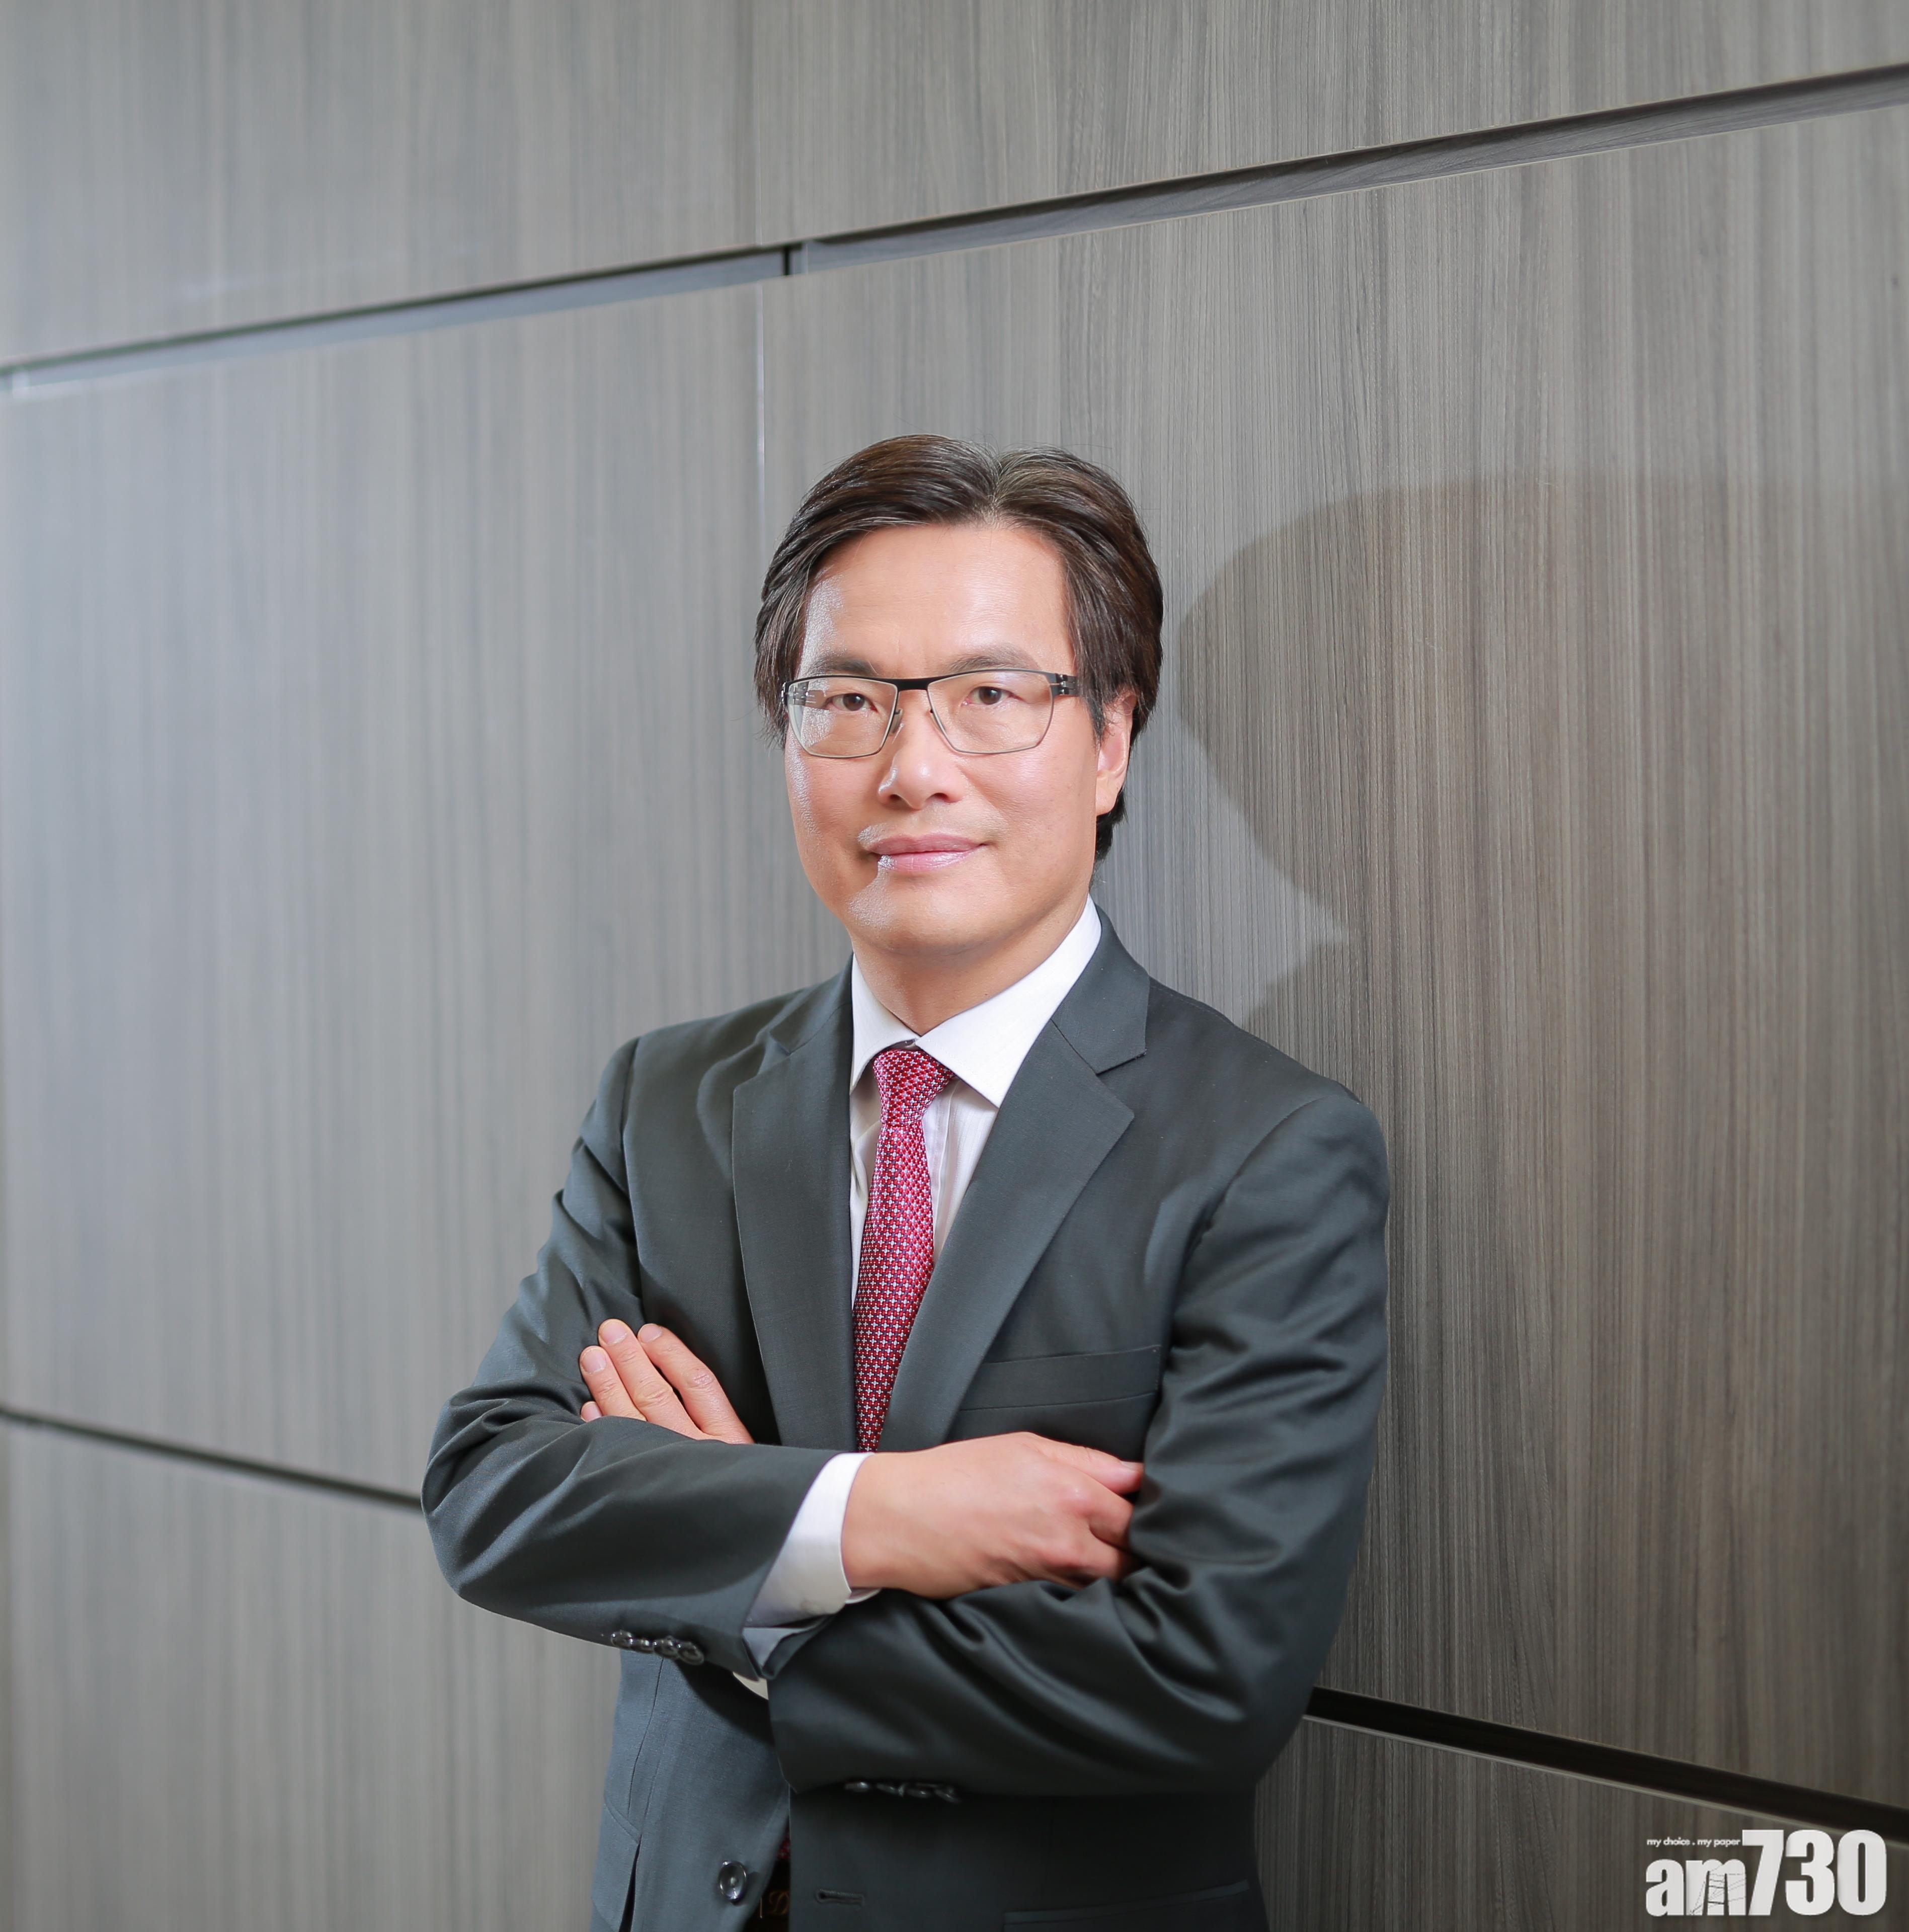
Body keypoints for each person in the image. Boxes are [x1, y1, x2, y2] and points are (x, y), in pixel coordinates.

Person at [424, 434, 1390, 1932]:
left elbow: (1199, 1680)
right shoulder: (667, 1103)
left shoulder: (1266, 1152)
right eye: (850, 701)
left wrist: (750, 1594)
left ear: (1111, 739)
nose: (913, 767)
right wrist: (877, 1515)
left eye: (991, 697)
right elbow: (497, 1492)